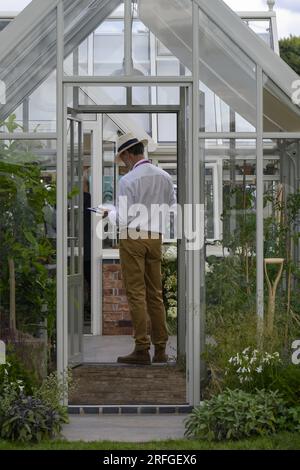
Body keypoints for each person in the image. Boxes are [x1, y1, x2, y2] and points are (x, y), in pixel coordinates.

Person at [105, 133, 177, 365]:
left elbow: (124, 218)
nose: (123, 162)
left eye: (123, 157)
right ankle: (161, 349)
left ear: (127, 154)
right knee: (155, 294)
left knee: (136, 294)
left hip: (133, 237)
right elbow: (171, 206)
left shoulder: (127, 180)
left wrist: (109, 213)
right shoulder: (164, 177)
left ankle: (141, 348)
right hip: (155, 237)